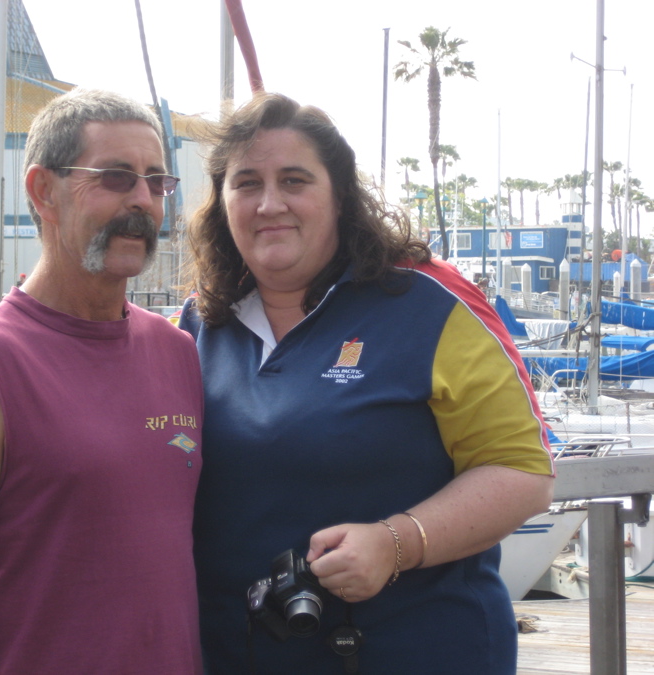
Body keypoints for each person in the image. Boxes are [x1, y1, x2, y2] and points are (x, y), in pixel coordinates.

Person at [178, 93, 554, 674]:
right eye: (246, 183)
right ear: (222, 202)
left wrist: (396, 542)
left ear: (340, 196)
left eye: (295, 180)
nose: (269, 203)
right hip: (236, 652)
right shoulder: (201, 322)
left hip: (414, 651)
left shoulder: (429, 303)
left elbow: (522, 471)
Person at [0, 89, 204, 674]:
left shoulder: (178, 351)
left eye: (155, 181)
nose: (142, 201)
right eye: (116, 178)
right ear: (44, 191)